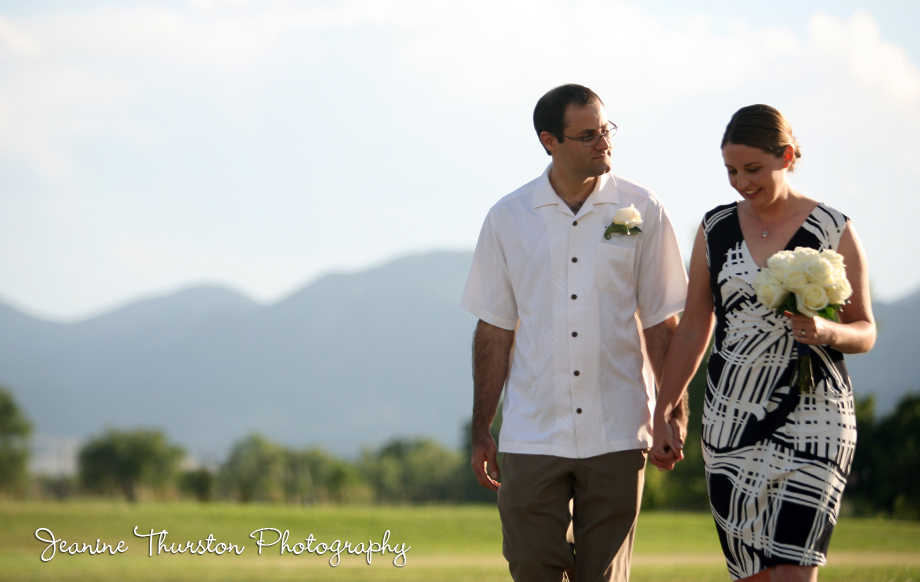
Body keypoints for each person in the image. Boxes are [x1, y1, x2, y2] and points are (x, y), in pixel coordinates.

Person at [461, 84, 688, 582]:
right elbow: (494, 330)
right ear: (550, 141)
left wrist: (672, 412)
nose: (603, 142)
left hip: (619, 428)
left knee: (604, 577)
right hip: (533, 431)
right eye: (587, 136)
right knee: (530, 565)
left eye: (606, 130)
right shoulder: (507, 218)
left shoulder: (643, 209)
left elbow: (662, 322)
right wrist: (482, 430)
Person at [650, 104, 876, 582]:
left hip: (815, 413)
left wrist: (827, 332)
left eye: (752, 169)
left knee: (794, 571)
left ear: (786, 156)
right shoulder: (715, 229)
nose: (741, 182)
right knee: (751, 574)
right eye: (731, 170)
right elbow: (694, 325)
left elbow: (864, 329)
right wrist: (664, 409)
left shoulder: (833, 228)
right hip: (731, 416)